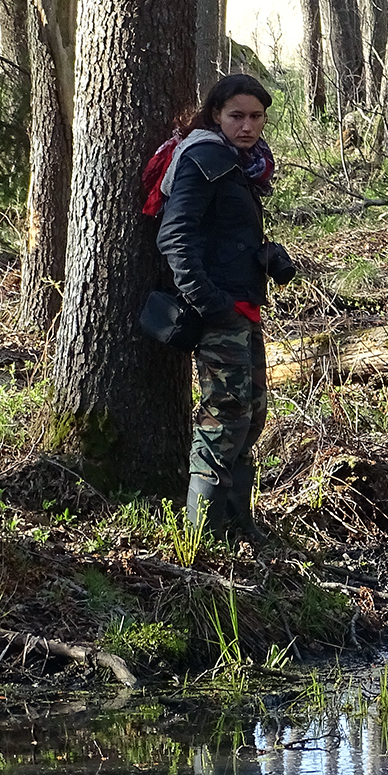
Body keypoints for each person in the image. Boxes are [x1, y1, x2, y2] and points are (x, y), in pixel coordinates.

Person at [155, 74, 296, 539]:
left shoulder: (241, 164)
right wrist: (210, 303)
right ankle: (202, 536)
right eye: (237, 115)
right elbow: (175, 235)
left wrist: (265, 256)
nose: (248, 125)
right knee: (225, 416)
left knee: (250, 416)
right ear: (216, 115)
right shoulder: (205, 157)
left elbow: (224, 233)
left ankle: (237, 525)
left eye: (256, 117)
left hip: (243, 306)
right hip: (220, 310)